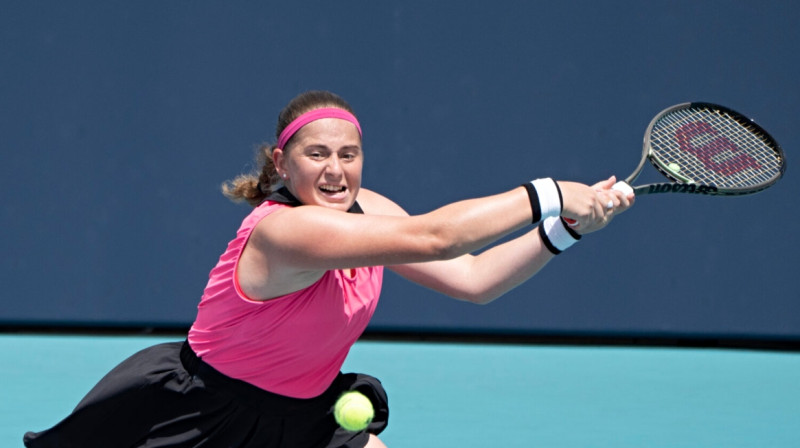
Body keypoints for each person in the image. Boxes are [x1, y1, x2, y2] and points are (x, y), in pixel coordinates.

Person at [24, 90, 633, 448]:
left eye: (349, 154)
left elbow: (474, 281)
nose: (335, 170)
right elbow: (437, 236)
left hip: (308, 418)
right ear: (281, 162)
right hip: (203, 417)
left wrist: (568, 228)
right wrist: (551, 192)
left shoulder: (369, 213)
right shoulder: (285, 229)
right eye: (317, 154)